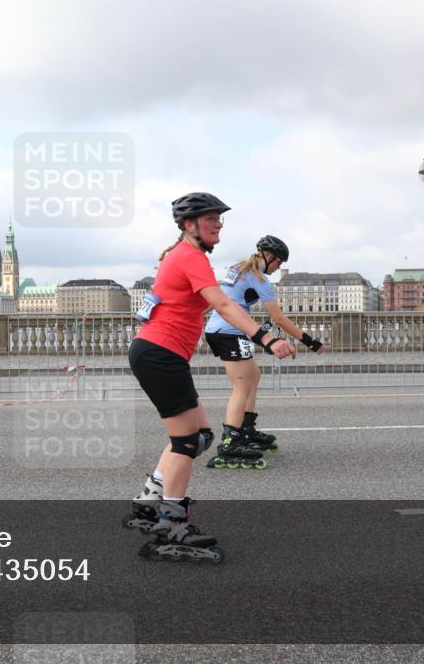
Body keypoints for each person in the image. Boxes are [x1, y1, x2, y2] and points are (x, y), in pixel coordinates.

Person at [125, 193, 295, 563]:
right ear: (189, 225)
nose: (219, 224)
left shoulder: (182, 254)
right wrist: (267, 339)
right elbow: (223, 304)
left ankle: (149, 501)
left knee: (199, 437)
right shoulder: (190, 256)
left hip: (159, 353)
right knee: (187, 441)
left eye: (219, 218)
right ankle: (172, 523)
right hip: (159, 353)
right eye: (211, 219)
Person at [203, 235, 326, 467]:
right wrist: (311, 342)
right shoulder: (260, 280)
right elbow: (279, 318)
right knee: (241, 386)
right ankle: (230, 443)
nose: (278, 267)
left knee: (253, 376)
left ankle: (246, 429)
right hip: (227, 332)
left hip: (226, 330)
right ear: (269, 257)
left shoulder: (238, 269)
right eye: (278, 263)